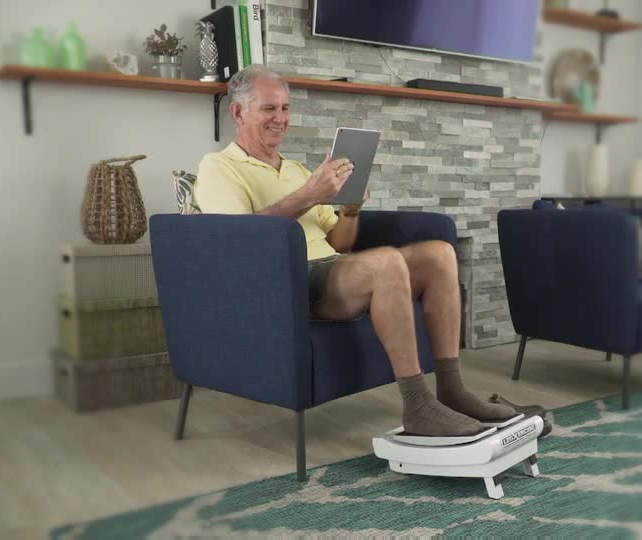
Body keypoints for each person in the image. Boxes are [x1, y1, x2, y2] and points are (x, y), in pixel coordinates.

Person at [193, 65, 515, 436]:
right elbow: (240, 240)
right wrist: (310, 194)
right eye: (269, 109)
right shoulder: (219, 166)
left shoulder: (296, 169)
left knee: (440, 253)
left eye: (285, 108)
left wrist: (350, 209)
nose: (280, 118)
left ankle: (452, 390)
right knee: (387, 261)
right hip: (285, 279)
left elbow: (339, 243)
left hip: (332, 269)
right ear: (237, 112)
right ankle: (418, 406)